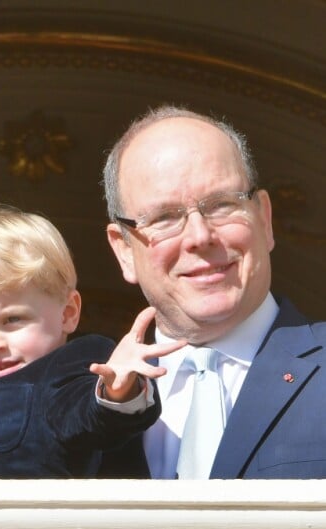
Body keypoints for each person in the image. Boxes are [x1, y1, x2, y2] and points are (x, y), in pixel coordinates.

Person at [102, 104, 326, 479]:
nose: (199, 237)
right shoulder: (81, 404)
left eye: (222, 205)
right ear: (124, 250)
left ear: (264, 219)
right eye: (164, 218)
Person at [0, 205, 182, 478]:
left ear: (68, 313)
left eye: (12, 320)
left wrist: (116, 392)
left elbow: (92, 416)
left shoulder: (70, 370)